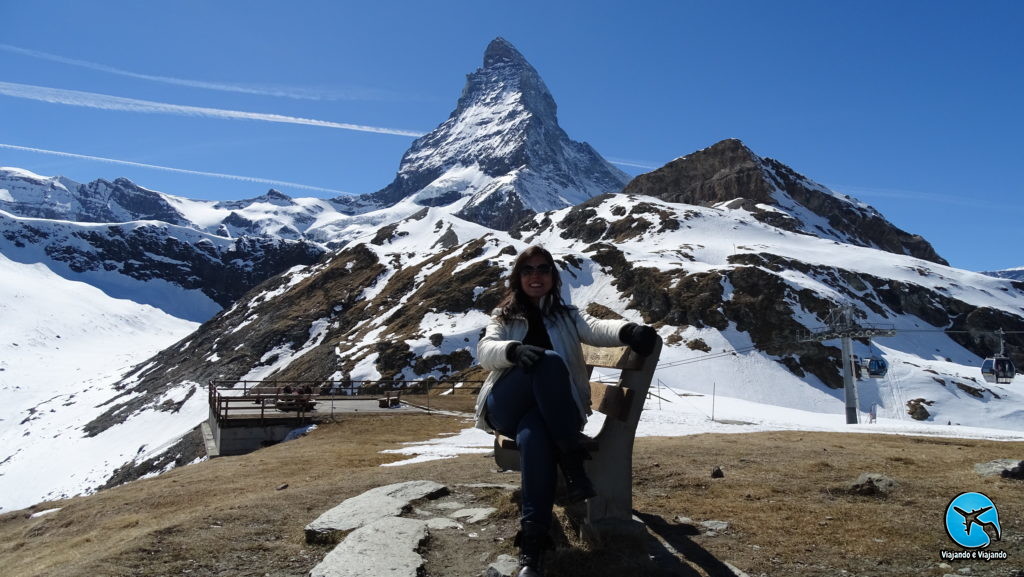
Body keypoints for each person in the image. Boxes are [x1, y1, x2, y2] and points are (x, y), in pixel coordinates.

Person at [475, 245, 657, 577]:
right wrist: (513, 351)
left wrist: (628, 331)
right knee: (549, 361)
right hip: (508, 404)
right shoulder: (503, 316)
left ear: (553, 277)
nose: (536, 276)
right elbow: (486, 351)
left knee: (536, 434)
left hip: (548, 416)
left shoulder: (567, 315)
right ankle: (572, 463)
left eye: (543, 269)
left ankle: (532, 546)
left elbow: (596, 329)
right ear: (518, 278)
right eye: (528, 270)